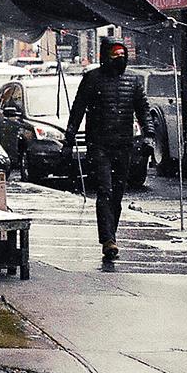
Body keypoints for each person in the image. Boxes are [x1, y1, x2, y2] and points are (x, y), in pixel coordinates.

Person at [63, 40, 149, 261]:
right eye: (115, 55)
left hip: (124, 144)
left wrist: (149, 135)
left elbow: (143, 109)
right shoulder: (92, 79)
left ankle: (112, 235)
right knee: (105, 191)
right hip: (99, 144)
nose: (119, 58)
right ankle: (108, 239)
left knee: (117, 194)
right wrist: (69, 138)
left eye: (122, 55)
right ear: (106, 57)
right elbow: (78, 108)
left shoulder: (133, 81)